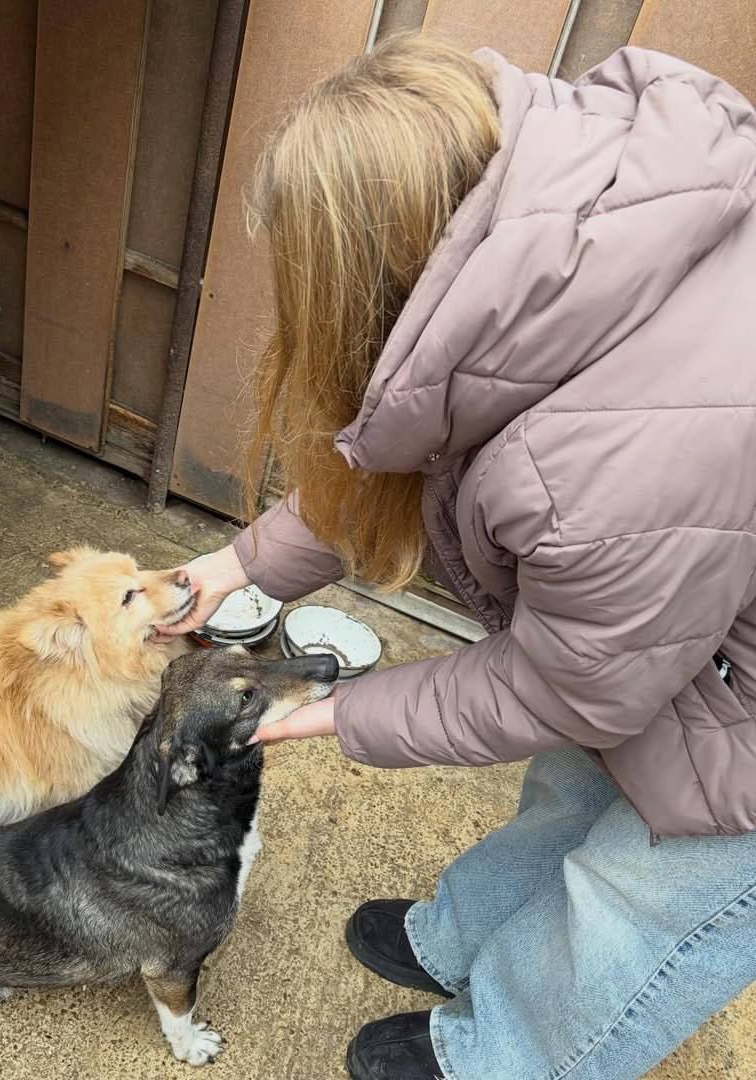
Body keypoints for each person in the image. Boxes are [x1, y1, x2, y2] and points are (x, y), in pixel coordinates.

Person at [157, 34, 756, 1080]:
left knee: (636, 902)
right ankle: (461, 939)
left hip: (731, 704)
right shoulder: (556, 227)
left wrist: (338, 712)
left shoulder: (601, 468)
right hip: (670, 618)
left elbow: (566, 688)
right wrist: (235, 566)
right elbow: (404, 446)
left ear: (383, 280)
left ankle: (503, 1055)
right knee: (576, 788)